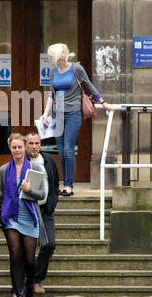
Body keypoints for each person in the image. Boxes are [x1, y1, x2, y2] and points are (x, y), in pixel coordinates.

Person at [41, 43, 115, 196]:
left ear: (59, 56)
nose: (48, 58)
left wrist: (103, 102)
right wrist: (45, 113)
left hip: (73, 113)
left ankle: (69, 185)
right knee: (61, 151)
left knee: (68, 150)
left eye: (50, 55)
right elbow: (51, 94)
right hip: (57, 114)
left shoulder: (76, 69)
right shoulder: (53, 71)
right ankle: (64, 183)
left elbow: (89, 86)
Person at [0, 133, 47, 297]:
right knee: (15, 255)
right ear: (10, 148)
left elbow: (41, 195)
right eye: (13, 147)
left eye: (19, 147)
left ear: (24, 148)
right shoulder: (3, 169)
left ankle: (30, 284)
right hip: (11, 216)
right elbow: (2, 192)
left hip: (29, 216)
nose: (17, 150)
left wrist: (29, 189)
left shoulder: (35, 168)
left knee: (29, 260)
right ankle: (20, 294)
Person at [25, 131, 59, 294]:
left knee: (49, 243)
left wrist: (53, 201)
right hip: (28, 210)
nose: (34, 146)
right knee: (25, 249)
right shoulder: (21, 161)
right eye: (31, 143)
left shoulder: (48, 160)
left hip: (46, 210)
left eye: (37, 143)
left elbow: (54, 183)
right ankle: (21, 283)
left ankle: (36, 279)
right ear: (25, 145)